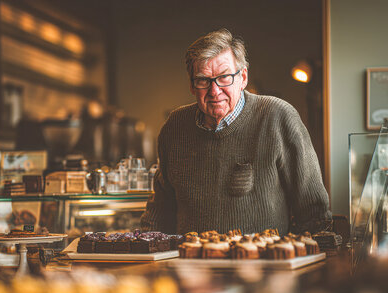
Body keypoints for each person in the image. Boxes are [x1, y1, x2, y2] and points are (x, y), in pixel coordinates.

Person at [140, 28, 331, 235]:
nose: (214, 91)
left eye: (224, 77)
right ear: (192, 86)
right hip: (190, 263)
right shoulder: (175, 126)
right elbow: (160, 212)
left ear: (243, 77)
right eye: (203, 80)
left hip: (264, 263)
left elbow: (314, 215)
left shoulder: (278, 117)